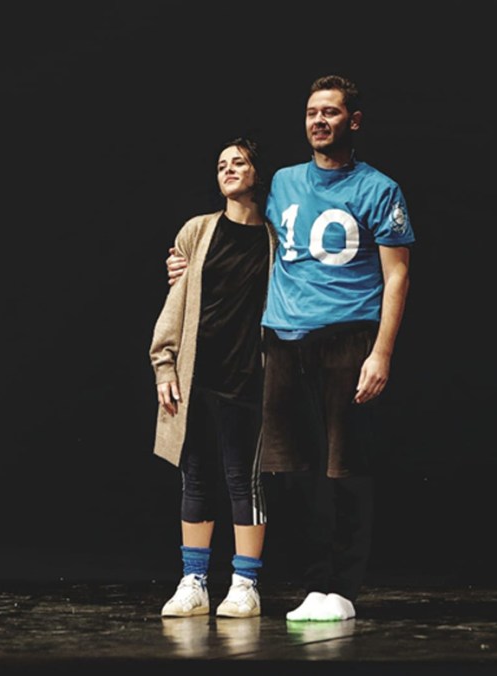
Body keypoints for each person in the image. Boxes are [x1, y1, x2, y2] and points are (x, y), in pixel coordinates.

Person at [166, 74, 415, 622]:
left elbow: (397, 275)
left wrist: (381, 352)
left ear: (353, 121)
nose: (319, 121)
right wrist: (185, 263)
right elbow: (245, 235)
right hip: (282, 343)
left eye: (330, 112)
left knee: (344, 469)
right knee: (291, 472)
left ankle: (342, 590)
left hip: (347, 338)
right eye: (311, 113)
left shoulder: (379, 189)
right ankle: (313, 586)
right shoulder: (283, 182)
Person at [149, 136, 277, 618]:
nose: (228, 169)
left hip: (248, 378)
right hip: (196, 375)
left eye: (238, 162)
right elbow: (175, 306)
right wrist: (164, 364)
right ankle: (194, 581)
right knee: (196, 478)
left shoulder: (276, 239)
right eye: (222, 164)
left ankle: (245, 583)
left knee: (244, 480)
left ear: (257, 173)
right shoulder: (197, 231)